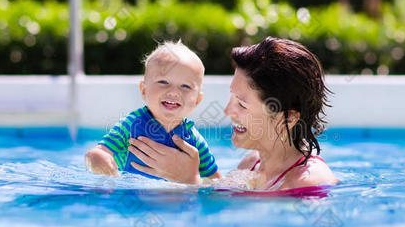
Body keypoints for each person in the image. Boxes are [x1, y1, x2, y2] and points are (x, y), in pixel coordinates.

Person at [127, 37, 338, 190]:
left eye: (242, 105)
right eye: (232, 97)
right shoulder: (251, 164)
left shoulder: (308, 183)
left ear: (289, 118)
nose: (228, 111)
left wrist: (189, 180)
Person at [84, 40, 221, 180]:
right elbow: (98, 151)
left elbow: (216, 182)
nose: (174, 92)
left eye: (185, 86)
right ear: (144, 90)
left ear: (197, 100)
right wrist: (98, 159)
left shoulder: (195, 142)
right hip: (130, 198)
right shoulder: (131, 126)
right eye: (163, 82)